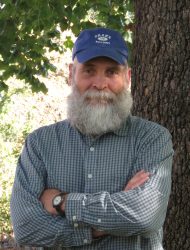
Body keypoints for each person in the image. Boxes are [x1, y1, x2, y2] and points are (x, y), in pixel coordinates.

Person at [10, 27, 174, 250]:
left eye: (111, 72)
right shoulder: (40, 144)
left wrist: (62, 202)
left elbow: (145, 215)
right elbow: (26, 227)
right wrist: (100, 226)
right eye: (89, 70)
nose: (100, 84)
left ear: (127, 77)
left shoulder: (152, 139)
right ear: (71, 73)